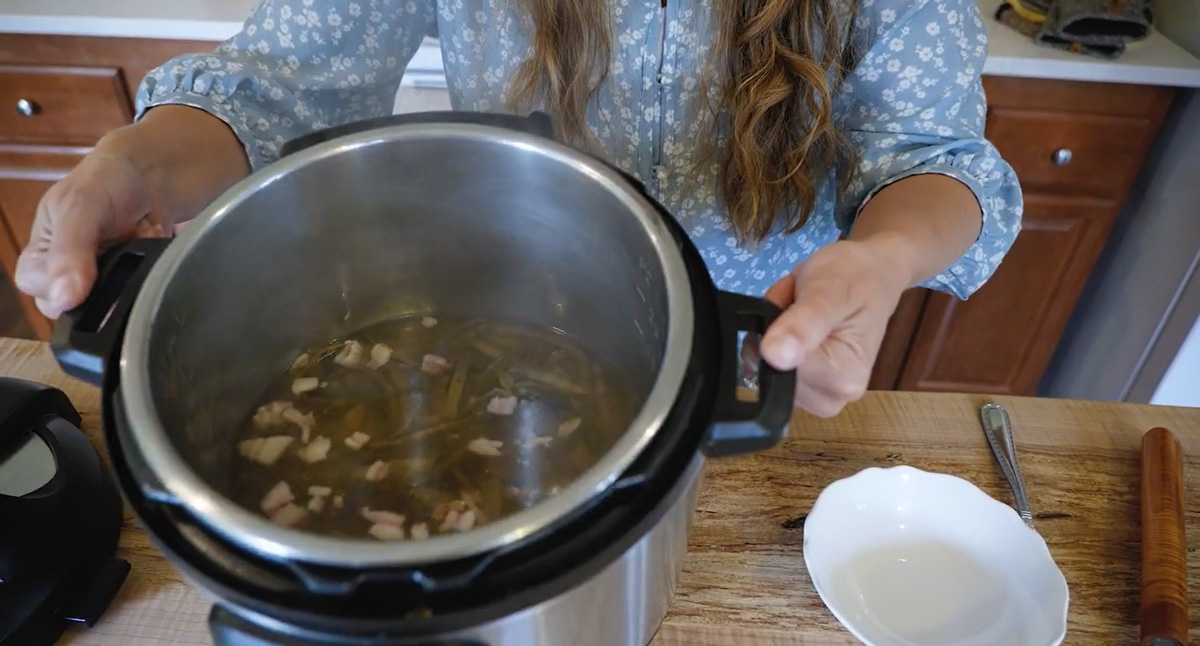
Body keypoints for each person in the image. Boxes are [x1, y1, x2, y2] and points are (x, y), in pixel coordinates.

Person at [14, 0, 1021, 418]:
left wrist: (883, 259)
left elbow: (933, 163)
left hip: (768, 359)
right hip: (505, 333)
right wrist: (139, 163)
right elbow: (281, 82)